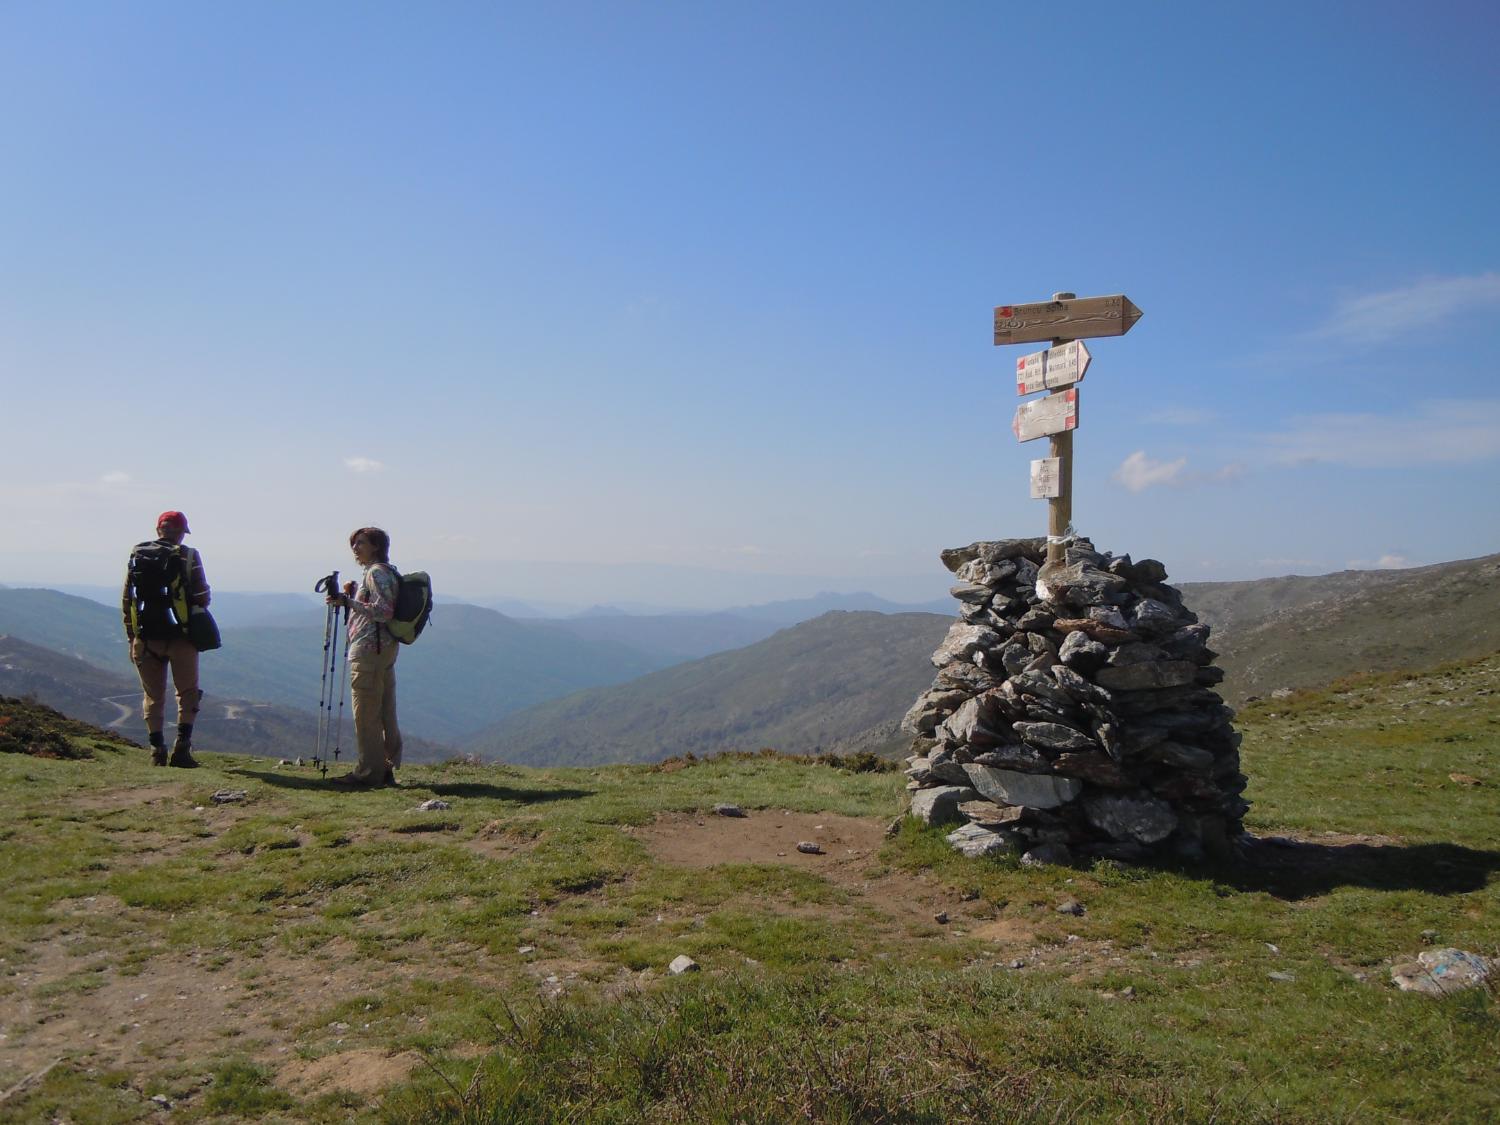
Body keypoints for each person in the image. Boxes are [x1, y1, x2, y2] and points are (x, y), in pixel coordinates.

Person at [121, 510, 211, 767]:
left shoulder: (138, 553)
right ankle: (181, 749)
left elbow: (128, 598)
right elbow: (202, 595)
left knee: (153, 695)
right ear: (181, 532)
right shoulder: (188, 555)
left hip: (145, 637)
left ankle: (156, 750)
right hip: (181, 636)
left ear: (159, 529)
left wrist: (132, 637)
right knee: (187, 693)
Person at [325, 526, 403, 788]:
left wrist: (348, 603)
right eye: (354, 543)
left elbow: (383, 611)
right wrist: (355, 594)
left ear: (376, 546)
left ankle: (369, 772)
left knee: (367, 713)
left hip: (370, 651)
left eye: (361, 543)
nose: (355, 548)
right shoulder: (385, 572)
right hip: (384, 649)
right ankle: (386, 767)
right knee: (385, 710)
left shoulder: (376, 572)